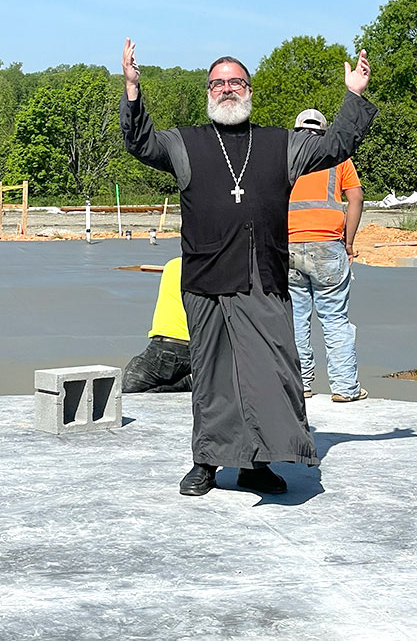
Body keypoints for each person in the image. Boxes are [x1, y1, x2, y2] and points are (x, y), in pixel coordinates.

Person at [119, 38, 376, 496]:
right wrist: (133, 90)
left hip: (264, 276)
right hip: (208, 277)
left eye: (235, 81)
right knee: (213, 377)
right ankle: (208, 462)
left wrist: (353, 95)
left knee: (270, 374)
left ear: (249, 90)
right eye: (217, 84)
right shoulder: (185, 143)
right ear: (207, 93)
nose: (226, 89)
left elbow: (337, 145)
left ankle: (258, 464)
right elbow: (139, 142)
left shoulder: (282, 144)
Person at [288, 108, 367, 403]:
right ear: (324, 131)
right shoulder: (338, 157)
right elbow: (356, 197)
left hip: (290, 245)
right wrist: (349, 242)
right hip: (328, 246)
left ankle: (301, 385)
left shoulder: (286, 157)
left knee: (296, 320)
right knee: (334, 318)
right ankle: (345, 388)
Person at [123, 257, 193, 393]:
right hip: (199, 347)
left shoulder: (174, 265)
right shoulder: (212, 271)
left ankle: (187, 383)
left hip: (168, 346)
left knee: (129, 389)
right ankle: (188, 382)